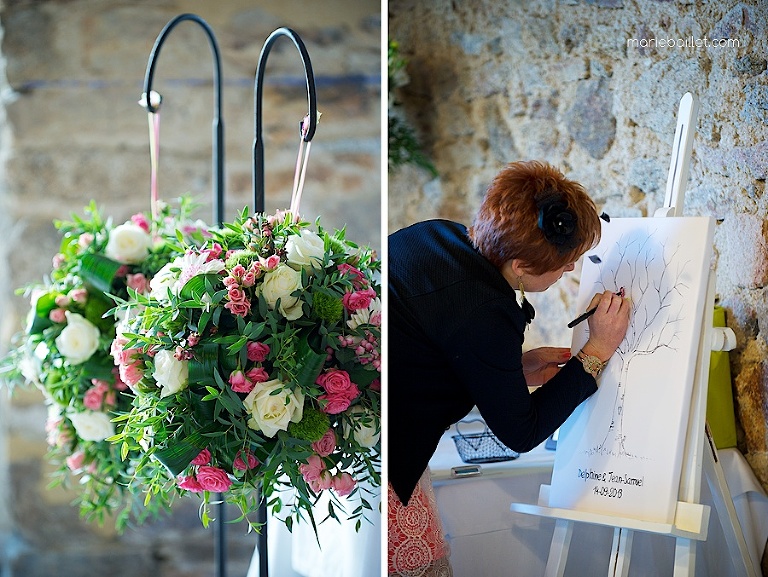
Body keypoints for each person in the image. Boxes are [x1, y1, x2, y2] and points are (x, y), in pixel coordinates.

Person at [387, 160, 631, 576]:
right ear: (520, 267)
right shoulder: (485, 313)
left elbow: (428, 348)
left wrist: (511, 369)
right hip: (384, 469)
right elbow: (521, 432)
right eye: (565, 260)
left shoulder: (435, 234)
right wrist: (599, 349)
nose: (571, 268)